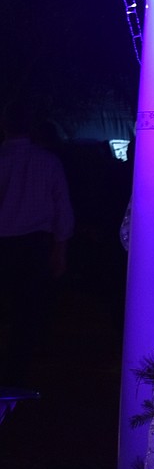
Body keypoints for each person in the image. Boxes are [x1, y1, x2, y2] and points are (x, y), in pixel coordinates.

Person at [0, 98, 74, 385]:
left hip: (7, 242)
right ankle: (16, 372)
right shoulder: (47, 161)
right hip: (34, 244)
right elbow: (62, 208)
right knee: (26, 309)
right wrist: (60, 248)